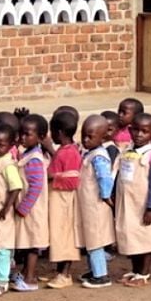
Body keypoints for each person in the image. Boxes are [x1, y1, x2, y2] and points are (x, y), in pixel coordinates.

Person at [115, 113, 151, 287]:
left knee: (145, 239)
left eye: (145, 131)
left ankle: (144, 273)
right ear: (130, 130)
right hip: (128, 204)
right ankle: (135, 270)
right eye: (136, 130)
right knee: (132, 238)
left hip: (144, 206)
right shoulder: (126, 152)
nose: (139, 134)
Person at [12, 113, 51, 291]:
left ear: (40, 137)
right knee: (28, 243)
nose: (22, 138)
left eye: (28, 134)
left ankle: (29, 279)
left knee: (33, 245)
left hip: (32, 210)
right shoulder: (27, 154)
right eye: (21, 134)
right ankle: (27, 273)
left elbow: (36, 187)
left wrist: (23, 207)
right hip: (28, 209)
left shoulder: (34, 159)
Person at [77, 115, 116, 288]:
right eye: (84, 135)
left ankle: (101, 275)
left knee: (96, 241)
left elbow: (105, 178)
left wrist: (106, 195)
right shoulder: (89, 153)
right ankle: (94, 270)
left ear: (103, 137)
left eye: (90, 137)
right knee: (91, 240)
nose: (85, 140)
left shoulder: (99, 156)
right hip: (88, 205)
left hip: (96, 205)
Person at [45, 110, 82, 289]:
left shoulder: (69, 152)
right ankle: (59, 271)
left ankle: (65, 273)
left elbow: (73, 179)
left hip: (64, 200)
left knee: (65, 235)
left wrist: (53, 177)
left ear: (59, 132)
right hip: (57, 198)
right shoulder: (64, 150)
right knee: (58, 235)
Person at [0, 123, 23, 296]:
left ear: (10, 146)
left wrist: (6, 208)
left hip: (2, 212)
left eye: (0, 145)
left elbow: (16, 187)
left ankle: (2, 281)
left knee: (2, 246)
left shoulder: (8, 164)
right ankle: (0, 275)